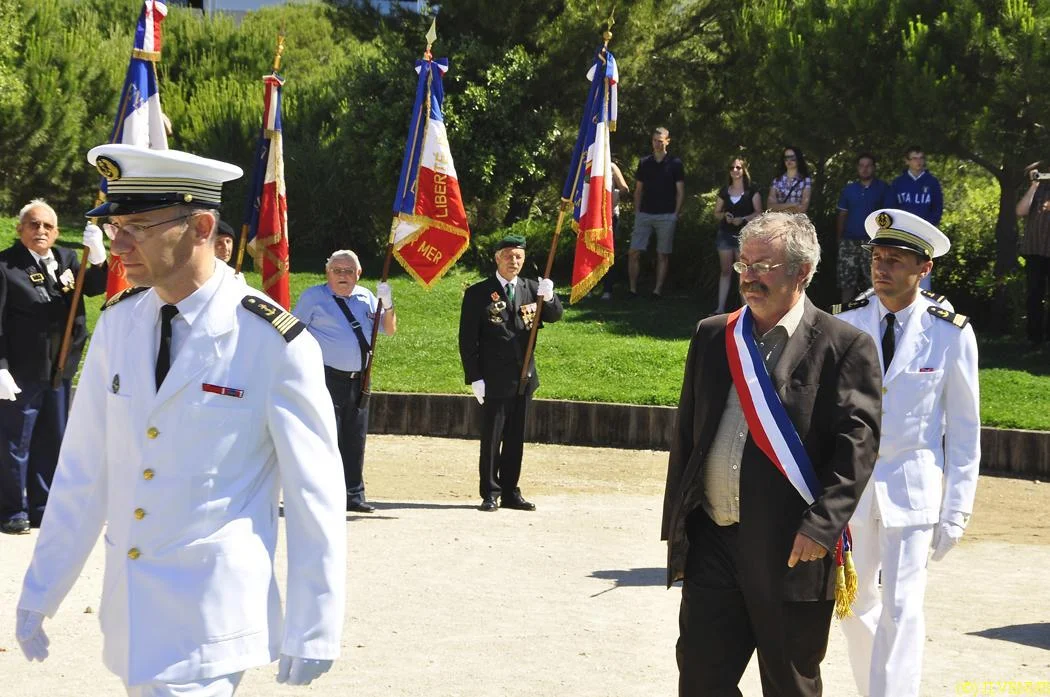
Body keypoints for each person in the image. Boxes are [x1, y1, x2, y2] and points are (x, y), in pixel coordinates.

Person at [15, 144, 347, 695]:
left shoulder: (272, 341)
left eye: (137, 226)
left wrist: (315, 627)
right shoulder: (120, 325)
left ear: (200, 225)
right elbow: (83, 472)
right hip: (130, 617)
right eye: (115, 226)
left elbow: (316, 494)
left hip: (210, 619)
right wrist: (41, 590)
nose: (116, 245)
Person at [661, 211, 882, 697]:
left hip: (791, 549)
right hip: (714, 539)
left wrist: (823, 526)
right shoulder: (713, 333)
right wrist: (679, 521)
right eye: (744, 264)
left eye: (764, 265)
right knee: (699, 680)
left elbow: (857, 448)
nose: (749, 276)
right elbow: (688, 436)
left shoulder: (845, 346)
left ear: (801, 273)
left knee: (789, 685)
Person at [836, 208, 980, 697]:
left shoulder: (950, 333)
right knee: (854, 605)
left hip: (913, 488)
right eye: (877, 257)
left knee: (902, 607)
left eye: (895, 260)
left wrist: (956, 509)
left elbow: (963, 431)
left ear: (924, 268)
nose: (882, 268)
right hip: (851, 489)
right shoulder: (847, 323)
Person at [0, 200, 107, 534]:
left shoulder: (67, 259)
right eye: (33, 225)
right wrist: (0, 367)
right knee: (15, 443)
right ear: (20, 230)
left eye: (47, 226)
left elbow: (93, 287)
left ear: (57, 232)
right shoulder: (6, 266)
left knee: (52, 439)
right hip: (19, 372)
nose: (41, 231)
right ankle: (12, 509)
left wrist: (99, 254)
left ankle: (42, 506)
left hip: (59, 370)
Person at [458, 234, 563, 512]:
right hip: (493, 377)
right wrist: (475, 376)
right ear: (497, 258)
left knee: (516, 437)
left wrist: (550, 297)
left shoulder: (531, 288)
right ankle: (490, 492)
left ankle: (510, 491)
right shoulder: (479, 293)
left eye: (518, 256)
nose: (513, 261)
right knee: (493, 437)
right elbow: (468, 340)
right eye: (508, 256)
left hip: (524, 377)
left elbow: (553, 316)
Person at [292, 250, 396, 514]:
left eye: (349, 271)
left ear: (358, 274)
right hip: (325, 378)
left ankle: (354, 494)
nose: (343, 276)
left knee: (355, 437)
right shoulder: (313, 298)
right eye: (337, 270)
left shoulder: (366, 298)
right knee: (326, 437)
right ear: (327, 273)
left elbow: (389, 329)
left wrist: (388, 302)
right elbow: (292, 334)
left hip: (359, 379)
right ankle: (322, 495)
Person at [629, 127, 685, 299]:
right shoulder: (644, 162)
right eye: (654, 140)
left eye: (660, 141)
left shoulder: (675, 163)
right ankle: (632, 289)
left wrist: (675, 213)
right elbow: (638, 190)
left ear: (667, 141)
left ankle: (657, 291)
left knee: (662, 253)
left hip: (666, 215)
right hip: (645, 213)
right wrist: (637, 211)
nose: (657, 144)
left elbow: (680, 191)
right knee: (634, 251)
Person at [836, 153, 893, 303]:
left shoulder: (883, 188)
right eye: (861, 166)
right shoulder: (849, 189)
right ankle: (844, 315)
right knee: (846, 282)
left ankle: (876, 315)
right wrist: (839, 238)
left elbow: (887, 217)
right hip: (849, 241)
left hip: (873, 242)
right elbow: (842, 215)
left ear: (874, 168)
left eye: (868, 165)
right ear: (857, 168)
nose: (865, 169)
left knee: (874, 282)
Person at [712, 157, 762, 314]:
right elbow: (716, 213)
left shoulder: (752, 190)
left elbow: (759, 213)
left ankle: (746, 309)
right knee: (725, 271)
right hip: (725, 235)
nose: (735, 170)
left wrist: (743, 219)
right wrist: (725, 216)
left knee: (744, 272)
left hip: (745, 237)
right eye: (732, 167)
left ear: (744, 169)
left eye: (738, 167)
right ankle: (720, 309)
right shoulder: (724, 191)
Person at [890, 145, 943, 291]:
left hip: (925, 236)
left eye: (921, 158)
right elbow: (892, 209)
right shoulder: (898, 183)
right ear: (907, 161)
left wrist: (927, 228)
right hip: (903, 235)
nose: (918, 161)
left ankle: (923, 309)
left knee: (923, 271)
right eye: (914, 158)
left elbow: (937, 209)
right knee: (900, 268)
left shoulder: (932, 182)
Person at [1015, 161, 1050, 345]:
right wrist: (1034, 185)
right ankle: (1034, 338)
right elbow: (1020, 210)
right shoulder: (1038, 189)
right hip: (1035, 250)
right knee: (1034, 296)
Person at [600, 160, 631, 300]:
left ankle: (607, 289)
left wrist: (615, 195)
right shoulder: (587, 165)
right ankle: (588, 288)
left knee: (608, 253)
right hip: (591, 217)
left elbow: (625, 188)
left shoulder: (611, 167)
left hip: (610, 217)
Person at [767, 146, 812, 215]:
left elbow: (803, 208)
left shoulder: (805, 180)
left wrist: (779, 207)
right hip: (779, 221)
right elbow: (770, 207)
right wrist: (793, 204)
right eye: (786, 158)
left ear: (798, 158)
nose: (789, 161)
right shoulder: (777, 180)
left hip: (797, 222)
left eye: (792, 158)